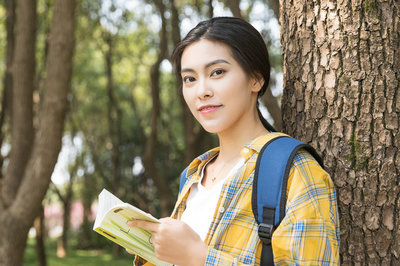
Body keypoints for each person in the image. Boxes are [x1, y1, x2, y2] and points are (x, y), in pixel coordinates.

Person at [127, 17, 340, 265]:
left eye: (217, 72)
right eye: (189, 79)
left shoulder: (295, 172)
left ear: (256, 79)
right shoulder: (194, 176)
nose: (201, 91)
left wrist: (198, 257)